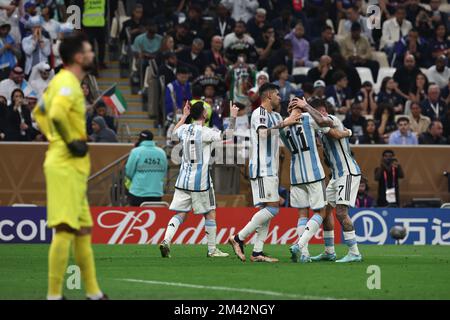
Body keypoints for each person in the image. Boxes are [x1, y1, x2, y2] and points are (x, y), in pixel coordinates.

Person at [32, 33, 107, 300]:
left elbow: (38, 113)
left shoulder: (60, 82)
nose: (92, 55)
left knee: (83, 229)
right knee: (64, 229)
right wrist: (69, 140)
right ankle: (54, 296)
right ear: (78, 57)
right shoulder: (68, 83)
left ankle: (93, 293)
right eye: (88, 51)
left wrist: (52, 136)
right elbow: (54, 114)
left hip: (71, 165)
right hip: (65, 164)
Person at [228, 83, 300, 263]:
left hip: (270, 168)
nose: (279, 97)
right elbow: (262, 133)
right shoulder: (258, 113)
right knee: (273, 207)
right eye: (277, 94)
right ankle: (238, 238)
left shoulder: (275, 115)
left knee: (265, 210)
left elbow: (284, 125)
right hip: (261, 167)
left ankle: (257, 252)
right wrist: (285, 122)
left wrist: (294, 113)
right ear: (268, 95)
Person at [160, 101, 240, 258]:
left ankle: (166, 240)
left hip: (183, 180)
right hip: (200, 182)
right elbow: (228, 135)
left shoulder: (184, 129)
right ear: (204, 114)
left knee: (181, 213)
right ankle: (212, 250)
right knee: (210, 213)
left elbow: (172, 134)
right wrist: (233, 117)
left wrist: (184, 117)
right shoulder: (206, 132)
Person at [290, 98, 363, 263]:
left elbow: (332, 129)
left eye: (314, 112)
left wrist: (305, 106)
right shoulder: (320, 130)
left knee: (341, 213)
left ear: (321, 110)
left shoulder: (332, 119)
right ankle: (329, 252)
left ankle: (355, 252)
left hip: (348, 173)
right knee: (324, 211)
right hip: (336, 176)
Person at [279, 98, 341, 263]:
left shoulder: (282, 127)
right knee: (321, 211)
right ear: (299, 107)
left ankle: (305, 254)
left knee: (302, 213)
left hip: (295, 175)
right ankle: (300, 244)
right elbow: (325, 122)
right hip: (313, 172)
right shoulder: (307, 119)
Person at [125, 130, 168, 206]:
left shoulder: (136, 152)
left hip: (138, 191)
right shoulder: (161, 152)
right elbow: (164, 170)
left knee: (137, 216)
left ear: (140, 139)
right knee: (154, 216)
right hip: (156, 191)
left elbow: (128, 171)